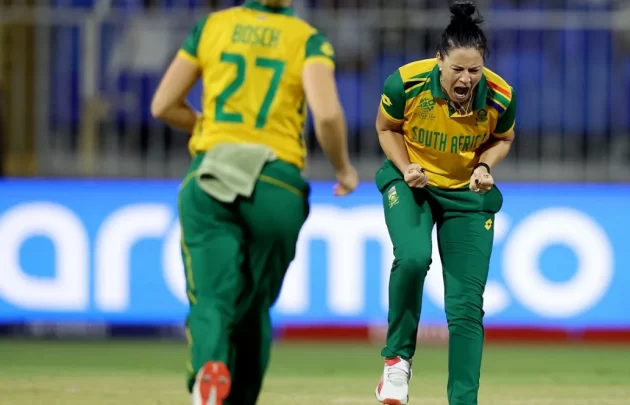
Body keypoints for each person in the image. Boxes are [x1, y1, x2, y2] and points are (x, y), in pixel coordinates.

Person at [150, 1, 358, 404]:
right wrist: (344, 169)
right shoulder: (308, 39)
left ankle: (209, 370)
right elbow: (328, 116)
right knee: (254, 306)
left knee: (211, 298)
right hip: (276, 183)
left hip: (212, 174)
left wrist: (212, 126)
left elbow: (162, 105)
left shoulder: (211, 27)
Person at [373, 1, 516, 404]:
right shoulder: (405, 83)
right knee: (414, 257)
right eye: (457, 69)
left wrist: (485, 166)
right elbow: (386, 128)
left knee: (467, 306)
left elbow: (503, 138)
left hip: (467, 196)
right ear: (439, 61)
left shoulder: (501, 96)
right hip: (414, 186)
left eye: (475, 70)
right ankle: (397, 362)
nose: (467, 78)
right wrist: (405, 167)